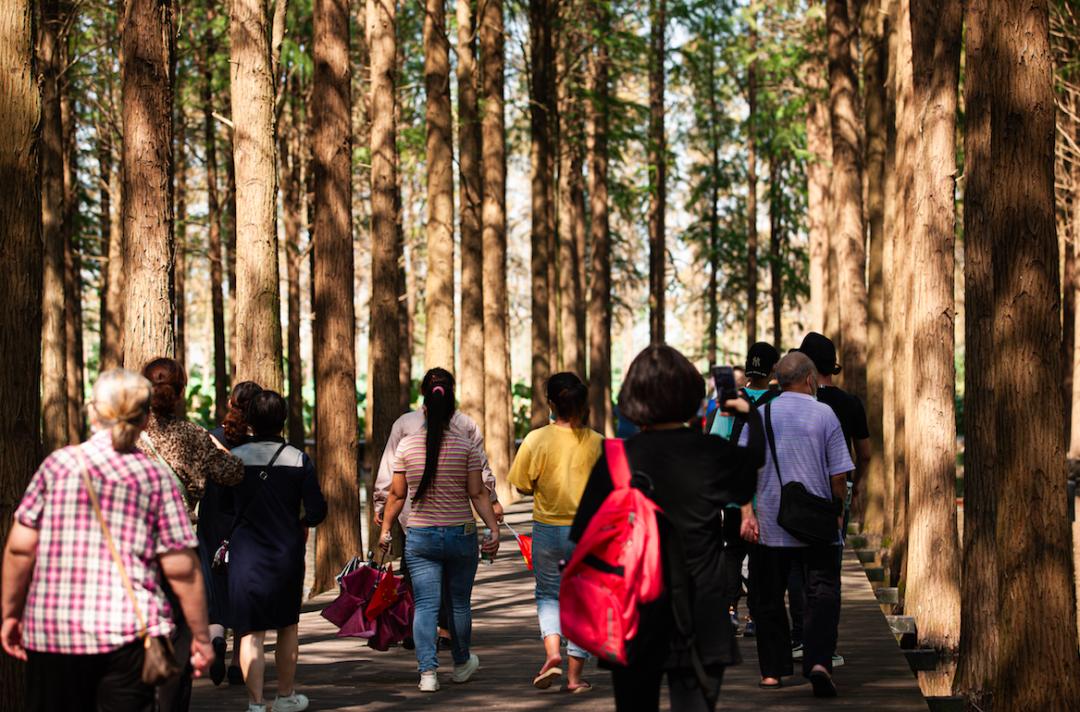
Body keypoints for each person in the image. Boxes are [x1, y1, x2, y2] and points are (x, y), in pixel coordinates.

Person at [1, 369, 214, 712]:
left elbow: (20, 547)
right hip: (129, 636)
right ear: (145, 420)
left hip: (54, 634)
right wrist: (201, 636)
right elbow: (182, 568)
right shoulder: (153, 477)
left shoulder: (58, 465)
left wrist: (10, 613)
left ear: (92, 412)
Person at [571, 345, 764, 712]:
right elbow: (752, 465)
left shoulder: (616, 459)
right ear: (691, 394)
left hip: (633, 614)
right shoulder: (710, 452)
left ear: (632, 396)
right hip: (702, 614)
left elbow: (583, 536)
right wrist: (749, 416)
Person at [739, 352, 853, 697]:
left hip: (770, 527)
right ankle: (818, 662)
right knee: (822, 595)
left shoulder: (759, 416)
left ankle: (772, 672)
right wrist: (838, 512)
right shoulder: (825, 414)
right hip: (816, 526)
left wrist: (747, 514)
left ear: (779, 380)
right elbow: (839, 475)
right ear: (809, 379)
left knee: (768, 599)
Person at [378, 375, 502, 693]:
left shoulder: (406, 446)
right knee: (459, 604)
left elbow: (396, 495)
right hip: (461, 534)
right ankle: (461, 664)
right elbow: (477, 494)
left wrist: (385, 529)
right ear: (451, 407)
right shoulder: (465, 446)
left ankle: (428, 673)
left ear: (424, 406)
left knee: (426, 605)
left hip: (420, 537)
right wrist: (493, 527)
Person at [140, 357, 244, 712]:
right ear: (181, 392)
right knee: (179, 635)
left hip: (132, 549)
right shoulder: (195, 436)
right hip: (179, 546)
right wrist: (216, 446)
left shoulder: (127, 435)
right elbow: (232, 473)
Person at [228, 390, 327, 712]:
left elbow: (223, 507)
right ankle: (285, 696)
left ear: (250, 420)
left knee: (250, 631)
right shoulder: (298, 459)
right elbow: (317, 510)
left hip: (245, 553)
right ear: (282, 419)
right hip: (286, 551)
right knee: (287, 626)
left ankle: (255, 704)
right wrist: (300, 521)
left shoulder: (234, 458)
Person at [508, 372, 602, 693]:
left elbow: (520, 483)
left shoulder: (536, 440)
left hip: (546, 530)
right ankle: (575, 679)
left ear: (551, 403)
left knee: (549, 594)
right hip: (585, 533)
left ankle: (552, 654)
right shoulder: (598, 443)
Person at [705, 342, 781, 639]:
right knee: (761, 555)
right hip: (769, 491)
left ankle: (730, 611)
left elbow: (715, 447)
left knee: (732, 552)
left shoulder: (729, 402)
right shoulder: (779, 401)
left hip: (735, 490)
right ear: (773, 368)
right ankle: (756, 616)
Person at [203, 380, 264, 686]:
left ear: (230, 403)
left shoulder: (212, 439)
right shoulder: (261, 446)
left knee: (215, 593)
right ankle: (239, 665)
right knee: (243, 594)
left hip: (212, 524)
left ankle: (216, 639)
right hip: (245, 527)